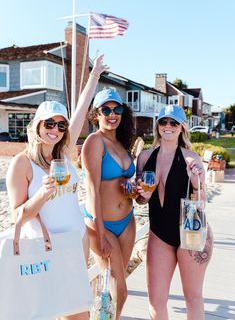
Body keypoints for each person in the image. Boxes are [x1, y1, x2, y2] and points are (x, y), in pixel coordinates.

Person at [6, 55, 107, 320]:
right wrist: (42, 193)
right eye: (49, 123)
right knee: (68, 314)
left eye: (61, 125)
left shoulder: (63, 153)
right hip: (46, 248)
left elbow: (82, 110)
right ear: (37, 125)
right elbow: (18, 216)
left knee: (71, 313)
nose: (56, 130)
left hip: (76, 244)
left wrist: (94, 75)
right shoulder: (23, 163)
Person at [136, 104, 213, 320]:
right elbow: (140, 199)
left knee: (193, 297)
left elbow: (200, 203)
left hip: (191, 233)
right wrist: (143, 195)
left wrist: (197, 184)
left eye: (174, 123)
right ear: (157, 126)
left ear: (182, 128)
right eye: (163, 121)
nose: (168, 126)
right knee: (156, 302)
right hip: (159, 234)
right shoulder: (144, 157)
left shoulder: (191, 159)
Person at [81, 88, 136, 319]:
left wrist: (134, 190)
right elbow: (93, 189)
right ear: (96, 113)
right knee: (118, 286)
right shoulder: (94, 142)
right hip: (100, 224)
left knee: (116, 287)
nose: (112, 114)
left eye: (117, 109)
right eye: (106, 110)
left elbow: (125, 183)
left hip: (127, 221)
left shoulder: (123, 144)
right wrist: (101, 232)